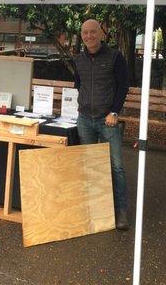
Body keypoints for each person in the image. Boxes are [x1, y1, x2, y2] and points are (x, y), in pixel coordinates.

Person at [74, 19, 130, 230]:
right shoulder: (78, 59)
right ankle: (94, 208)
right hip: (85, 120)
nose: (89, 36)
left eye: (93, 32)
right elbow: (78, 86)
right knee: (89, 165)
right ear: (82, 36)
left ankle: (121, 211)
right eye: (85, 33)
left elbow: (123, 86)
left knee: (116, 167)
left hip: (108, 120)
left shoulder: (115, 57)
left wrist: (114, 111)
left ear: (101, 34)